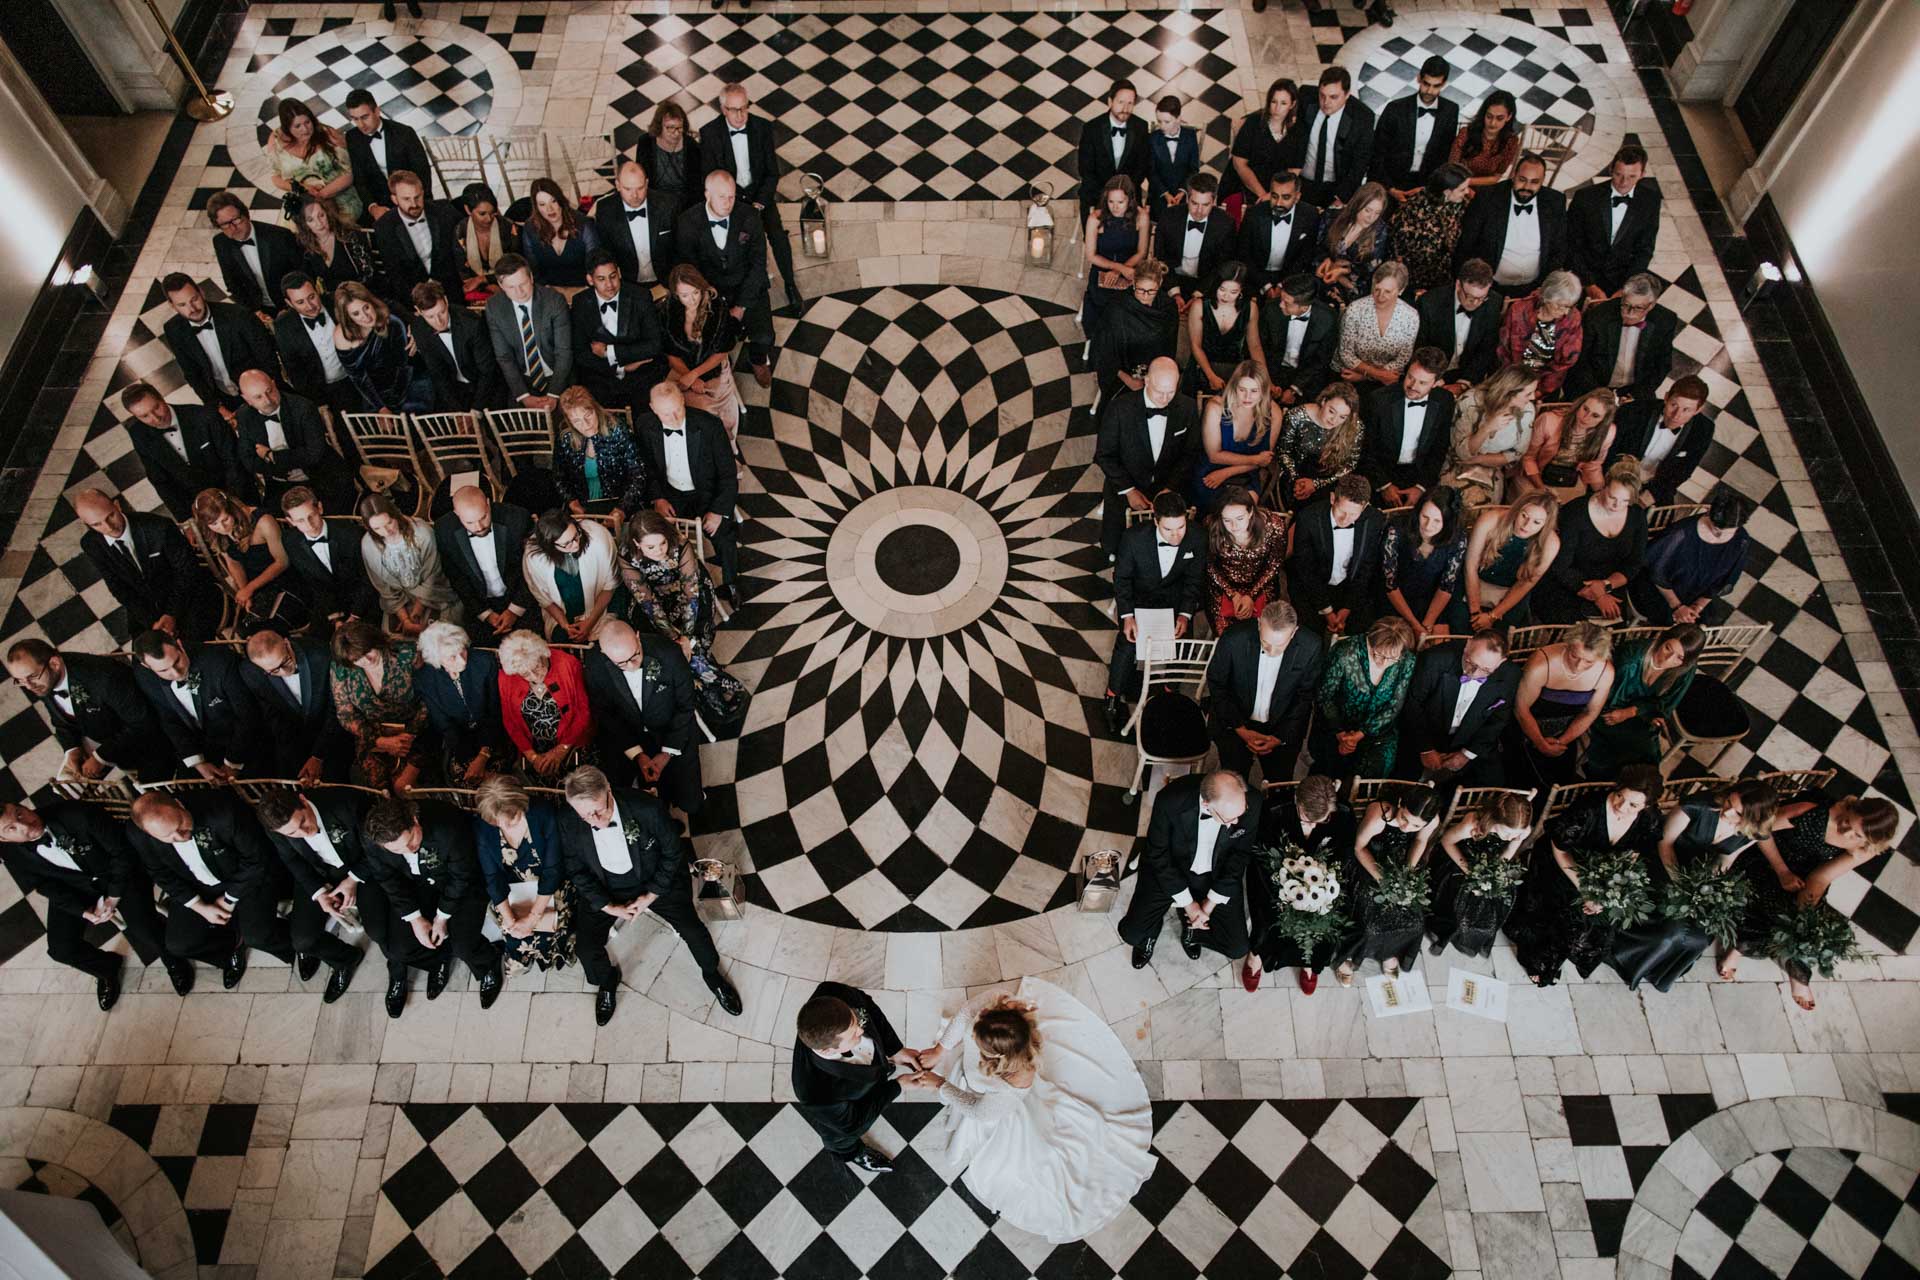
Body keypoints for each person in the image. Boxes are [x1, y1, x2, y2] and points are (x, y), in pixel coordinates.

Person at [916, 980, 1155, 1243]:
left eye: (977, 1041)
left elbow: (981, 1112)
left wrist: (941, 1085)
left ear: (998, 1058)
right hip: (979, 1073)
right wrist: (941, 1049)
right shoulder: (995, 1003)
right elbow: (965, 1014)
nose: (971, 1038)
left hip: (989, 1097)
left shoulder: (1013, 1081)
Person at [557, 765, 741, 1025]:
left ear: (608, 790)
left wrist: (651, 896)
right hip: (606, 888)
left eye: (599, 810)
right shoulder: (568, 822)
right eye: (586, 816)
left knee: (694, 931)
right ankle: (608, 980)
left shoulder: (646, 808)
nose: (595, 820)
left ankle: (713, 977)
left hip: (654, 881)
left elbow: (672, 854)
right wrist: (609, 907)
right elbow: (575, 869)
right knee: (586, 948)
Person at [1722, 794, 1899, 1011]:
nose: (1846, 832)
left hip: (1805, 879)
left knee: (1807, 924)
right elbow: (1760, 830)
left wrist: (1803, 913)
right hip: (1766, 861)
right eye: (1847, 822)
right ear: (1853, 808)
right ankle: (1748, 955)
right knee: (1772, 907)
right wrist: (1782, 871)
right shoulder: (1811, 811)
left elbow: (1821, 878)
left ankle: (1766, 959)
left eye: (1857, 835)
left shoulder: (1866, 848)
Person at [0, 800, 181, 1004]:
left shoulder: (77, 813)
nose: (25, 825)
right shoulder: (9, 853)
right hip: (75, 887)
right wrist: (82, 911)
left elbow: (123, 853)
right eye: (12, 828)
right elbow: (44, 885)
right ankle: (107, 968)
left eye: (20, 813)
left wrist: (113, 897)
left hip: (118, 875)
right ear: (2, 839)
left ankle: (173, 960)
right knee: (61, 949)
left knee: (143, 927)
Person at [125, 791, 298, 991]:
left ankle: (297, 948)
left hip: (244, 877)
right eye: (168, 837)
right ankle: (231, 947)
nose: (181, 836)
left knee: (258, 935)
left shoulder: (223, 810)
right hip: (196, 886)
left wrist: (229, 899)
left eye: (180, 824)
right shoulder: (137, 834)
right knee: (179, 945)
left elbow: (257, 859)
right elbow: (160, 873)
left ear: (178, 805)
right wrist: (199, 906)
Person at [1511, 766, 1664, 986]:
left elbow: (1634, 855)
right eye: (1620, 796)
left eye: (1633, 805)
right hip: (1562, 864)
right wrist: (1586, 888)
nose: (1621, 807)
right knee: (1569, 909)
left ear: (1646, 805)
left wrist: (1609, 889)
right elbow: (1560, 848)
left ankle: (1575, 949)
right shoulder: (1589, 808)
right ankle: (1543, 957)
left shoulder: (1649, 819)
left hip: (1602, 874)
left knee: (1602, 918)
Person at [1621, 780, 1776, 992]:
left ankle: (1662, 974)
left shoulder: (1752, 833)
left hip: (1696, 876)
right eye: (1729, 802)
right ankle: (1632, 962)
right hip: (1662, 864)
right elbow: (1664, 843)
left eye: (1738, 813)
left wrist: (1709, 889)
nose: (1728, 811)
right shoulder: (1696, 807)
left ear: (1751, 819)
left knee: (1701, 936)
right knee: (1672, 931)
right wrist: (1681, 882)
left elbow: (1725, 860)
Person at [359, 795, 504, 1017]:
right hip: (417, 886)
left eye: (411, 841)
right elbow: (388, 879)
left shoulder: (447, 827)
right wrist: (416, 919)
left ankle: (487, 964)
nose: (408, 851)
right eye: (397, 850)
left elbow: (462, 876)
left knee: (462, 944)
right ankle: (439, 961)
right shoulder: (373, 839)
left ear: (415, 820)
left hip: (460, 884)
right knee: (399, 947)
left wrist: (441, 918)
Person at [617, 513, 749, 732]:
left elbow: (692, 592)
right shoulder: (626, 555)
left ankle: (707, 689)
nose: (659, 550)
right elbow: (648, 602)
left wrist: (686, 636)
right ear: (637, 543)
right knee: (666, 650)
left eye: (662, 543)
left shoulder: (680, 543)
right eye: (650, 547)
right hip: (654, 604)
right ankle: (725, 686)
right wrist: (675, 638)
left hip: (691, 594)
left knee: (695, 642)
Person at [1118, 769, 1260, 966]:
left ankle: (1193, 932)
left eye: (1240, 814)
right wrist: (1189, 904)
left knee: (1237, 948)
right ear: (1206, 804)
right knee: (1131, 934)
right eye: (1229, 819)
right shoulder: (1170, 800)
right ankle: (1151, 932)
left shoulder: (1251, 802)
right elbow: (1157, 854)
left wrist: (1208, 905)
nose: (1236, 822)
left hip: (1216, 874)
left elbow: (1240, 856)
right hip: (1171, 869)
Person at [253, 787, 382, 999]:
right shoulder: (276, 828)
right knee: (302, 940)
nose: (305, 833)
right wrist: (319, 892)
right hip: (318, 874)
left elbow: (377, 847)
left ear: (303, 801)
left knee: (377, 927)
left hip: (361, 868)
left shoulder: (348, 804)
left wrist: (353, 879)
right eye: (294, 833)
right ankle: (345, 959)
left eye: (303, 822)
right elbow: (292, 860)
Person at [791, 985, 932, 1175]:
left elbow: (867, 1005)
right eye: (853, 1033)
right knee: (841, 1140)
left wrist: (895, 1049)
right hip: (842, 1119)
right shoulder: (814, 1090)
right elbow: (853, 1124)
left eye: (856, 1022)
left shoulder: (833, 992)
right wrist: (897, 1086)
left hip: (870, 1075)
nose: (861, 1029)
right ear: (827, 1050)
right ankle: (854, 1154)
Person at [1103, 491, 1206, 733]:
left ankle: (1169, 693)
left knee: (1182, 643)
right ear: (1156, 521)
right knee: (1127, 644)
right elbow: (1122, 579)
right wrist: (1127, 616)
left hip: (1174, 603)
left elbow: (1194, 581)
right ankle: (1112, 696)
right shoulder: (1132, 538)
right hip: (1141, 601)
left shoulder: (1198, 537)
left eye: (1180, 527)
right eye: (1169, 529)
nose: (1176, 535)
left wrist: (1185, 614)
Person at [696, 82, 803, 311]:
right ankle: (744, 290)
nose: (741, 114)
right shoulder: (710, 133)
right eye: (734, 109)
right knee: (737, 243)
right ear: (723, 109)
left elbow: (772, 173)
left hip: (760, 197)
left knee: (777, 236)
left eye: (745, 107)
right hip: (731, 202)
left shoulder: (761, 127)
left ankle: (791, 284)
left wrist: (760, 203)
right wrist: (737, 206)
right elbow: (711, 178)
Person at [1242, 775, 1351, 993]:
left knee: (1327, 919)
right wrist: (1284, 885)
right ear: (1297, 801)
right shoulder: (1274, 809)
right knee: (1269, 914)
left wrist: (1323, 882)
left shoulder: (1343, 814)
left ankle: (1310, 963)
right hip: (1273, 877)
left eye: (1321, 820)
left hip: (1321, 879)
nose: (1312, 824)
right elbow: (1260, 853)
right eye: (1307, 817)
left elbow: (1344, 855)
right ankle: (1257, 954)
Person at [71, 489, 221, 645]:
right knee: (146, 661)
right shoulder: (91, 544)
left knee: (191, 649)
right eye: (96, 524)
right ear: (86, 524)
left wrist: (171, 614)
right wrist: (152, 622)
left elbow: (188, 572)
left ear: (117, 506)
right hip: (146, 610)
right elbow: (118, 587)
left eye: (110, 516)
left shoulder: (159, 527)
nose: (108, 527)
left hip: (186, 597)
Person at [635, 379, 740, 599]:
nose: (673, 419)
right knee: (659, 538)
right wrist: (658, 498)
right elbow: (648, 468)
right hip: (671, 495)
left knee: (724, 536)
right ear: (653, 409)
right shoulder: (645, 425)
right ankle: (678, 586)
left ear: (683, 400)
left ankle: (731, 584)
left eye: (677, 410)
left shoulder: (709, 426)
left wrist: (718, 511)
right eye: (665, 414)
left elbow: (728, 475)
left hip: (706, 494)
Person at [583, 619, 703, 811]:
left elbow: (686, 706)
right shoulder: (595, 665)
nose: (631, 666)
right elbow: (605, 714)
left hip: (673, 730)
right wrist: (637, 754)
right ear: (605, 654)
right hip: (630, 734)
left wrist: (666, 753)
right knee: (637, 797)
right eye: (621, 663)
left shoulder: (669, 653)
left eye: (635, 656)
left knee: (691, 803)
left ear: (638, 638)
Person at [6, 640, 167, 780]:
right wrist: (72, 749)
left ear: (54, 664)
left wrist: (101, 756)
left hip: (153, 742)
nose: (27, 686)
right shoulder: (43, 680)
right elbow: (60, 719)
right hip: (105, 731)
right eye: (19, 681)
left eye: (31, 677)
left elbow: (143, 722)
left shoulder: (106, 679)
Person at [1330, 784, 1440, 983]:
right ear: (1400, 804)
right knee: (1370, 920)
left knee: (1414, 921)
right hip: (1367, 861)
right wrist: (1383, 879)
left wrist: (1406, 872)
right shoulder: (1381, 815)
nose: (1407, 828)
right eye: (1405, 818)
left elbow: (1419, 842)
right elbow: (1358, 847)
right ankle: (1350, 957)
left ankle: (1390, 952)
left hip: (1399, 862)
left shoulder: (1431, 822)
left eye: (1416, 826)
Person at [673, 171, 773, 385]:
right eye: (722, 197)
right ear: (707, 194)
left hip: (747, 286)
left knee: (764, 335)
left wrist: (740, 307)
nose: (728, 203)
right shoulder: (688, 222)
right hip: (710, 290)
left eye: (732, 196)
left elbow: (758, 266)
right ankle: (713, 368)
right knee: (708, 339)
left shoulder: (750, 216)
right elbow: (690, 269)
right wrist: (712, 300)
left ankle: (758, 360)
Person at [1207, 600, 1323, 782]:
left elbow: (1305, 696)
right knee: (1233, 781)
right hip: (1235, 721)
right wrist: (1241, 730)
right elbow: (1217, 684)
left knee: (1280, 784)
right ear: (1259, 623)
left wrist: (1279, 737)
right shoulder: (1233, 638)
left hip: (1282, 726)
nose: (1272, 651)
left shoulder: (1311, 646)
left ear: (1293, 633)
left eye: (1280, 646)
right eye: (1266, 643)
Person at [470, 776, 574, 977]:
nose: (506, 827)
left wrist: (533, 917)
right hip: (513, 888)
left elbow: (553, 869)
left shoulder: (543, 814)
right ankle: (527, 950)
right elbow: (492, 877)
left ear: (522, 804)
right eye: (499, 824)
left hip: (551, 884)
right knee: (514, 933)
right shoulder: (483, 828)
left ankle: (555, 949)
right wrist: (510, 919)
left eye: (513, 819)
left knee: (547, 923)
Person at [1093, 357, 1197, 557]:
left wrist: (1170, 488)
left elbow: (1190, 453)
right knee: (1115, 545)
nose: (1166, 398)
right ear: (1147, 381)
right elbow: (1105, 455)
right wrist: (1129, 491)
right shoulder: (1119, 409)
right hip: (1126, 484)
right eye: (1160, 392)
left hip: (1168, 484)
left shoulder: (1187, 407)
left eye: (1171, 392)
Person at [130, 629, 263, 780]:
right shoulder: (145, 675)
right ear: (147, 667)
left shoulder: (220, 662)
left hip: (242, 742)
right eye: (164, 670)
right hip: (198, 745)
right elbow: (168, 718)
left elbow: (248, 715)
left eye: (177, 661)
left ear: (179, 645)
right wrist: (197, 761)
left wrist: (232, 763)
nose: (176, 673)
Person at [1394, 629, 1517, 789]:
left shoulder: (1511, 675)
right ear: (1467, 645)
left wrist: (1467, 754)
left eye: (1485, 670)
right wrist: (1425, 749)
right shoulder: (1434, 660)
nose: (1474, 674)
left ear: (1500, 663)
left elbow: (1498, 721)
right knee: (1402, 785)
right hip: (1427, 734)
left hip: (1469, 739)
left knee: (1493, 786)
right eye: (1471, 663)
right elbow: (1412, 704)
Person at [1534, 458, 1649, 623]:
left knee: (1610, 633)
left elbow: (1634, 563)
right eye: (1612, 497)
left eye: (1625, 501)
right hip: (1569, 582)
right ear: (1604, 487)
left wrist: (1606, 586)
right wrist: (1597, 594)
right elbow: (1561, 565)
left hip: (1610, 584)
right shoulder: (1576, 512)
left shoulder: (1637, 516)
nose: (1617, 505)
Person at [121, 382, 252, 520]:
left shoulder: (204, 416)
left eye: (156, 408)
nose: (155, 418)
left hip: (234, 492)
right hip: (197, 508)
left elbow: (233, 460)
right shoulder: (139, 434)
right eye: (144, 416)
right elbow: (160, 481)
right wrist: (186, 520)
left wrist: (234, 504)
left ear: (161, 397)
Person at [1585, 622, 1703, 775]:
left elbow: (1666, 704)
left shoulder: (1686, 670)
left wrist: (1634, 711)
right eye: (1668, 648)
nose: (1668, 660)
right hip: (1608, 711)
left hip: (1643, 716)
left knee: (1649, 759)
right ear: (1661, 640)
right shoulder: (1630, 659)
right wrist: (1634, 711)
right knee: (1623, 756)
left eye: (1679, 657)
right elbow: (1605, 698)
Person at [1309, 615, 1418, 780]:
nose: (1384, 663)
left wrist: (1360, 734)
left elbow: (1394, 706)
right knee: (1329, 768)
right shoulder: (1344, 652)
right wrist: (1341, 734)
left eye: (1392, 659)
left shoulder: (1406, 661)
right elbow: (1325, 697)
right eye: (1378, 654)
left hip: (1378, 730)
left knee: (1377, 769)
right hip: (1337, 724)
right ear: (1370, 640)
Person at [1510, 620, 1615, 788]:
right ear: (1567, 645)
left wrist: (1561, 742)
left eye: (1588, 662)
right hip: (1528, 723)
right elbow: (1520, 708)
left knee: (1561, 780)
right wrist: (1540, 743)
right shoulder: (1541, 663)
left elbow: (1590, 713)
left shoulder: (1606, 672)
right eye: (1574, 656)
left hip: (1565, 729)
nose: (1579, 666)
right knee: (1529, 778)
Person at [1428, 792, 1533, 958]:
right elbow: (1446, 841)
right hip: (1461, 860)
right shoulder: (1473, 823)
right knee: (1461, 895)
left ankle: (1471, 936)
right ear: (1495, 820)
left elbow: (1508, 852)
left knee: (1498, 897)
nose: (1511, 837)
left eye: (1515, 834)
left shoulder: (1521, 831)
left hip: (1489, 864)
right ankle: (1446, 931)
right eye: (1507, 834)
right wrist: (1471, 872)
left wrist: (1492, 874)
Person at [235, 371, 357, 513]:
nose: (268, 400)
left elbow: (314, 454)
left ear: (274, 384)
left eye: (269, 391)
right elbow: (248, 459)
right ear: (247, 400)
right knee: (273, 522)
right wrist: (279, 470)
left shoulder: (303, 407)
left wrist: (271, 456)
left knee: (333, 512)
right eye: (258, 397)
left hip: (318, 475)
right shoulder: (244, 416)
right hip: (279, 481)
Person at [240, 629, 352, 783]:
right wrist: (297, 758)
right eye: (274, 671)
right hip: (293, 737)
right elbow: (273, 717)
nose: (285, 671)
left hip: (331, 734)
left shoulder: (322, 655)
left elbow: (337, 709)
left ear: (287, 643)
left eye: (285, 661)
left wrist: (317, 756)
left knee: (335, 782)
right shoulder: (251, 672)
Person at [159, 273, 279, 417]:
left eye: (194, 299)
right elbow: (192, 373)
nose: (192, 308)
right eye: (182, 305)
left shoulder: (238, 315)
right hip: (222, 398)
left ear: (201, 292)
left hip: (258, 392)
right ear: (172, 306)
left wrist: (263, 395)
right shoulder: (173, 330)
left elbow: (267, 357)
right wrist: (216, 406)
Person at [329, 620, 428, 791]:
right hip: (371, 734)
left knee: (405, 787)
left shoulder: (408, 654)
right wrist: (378, 740)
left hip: (414, 731)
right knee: (379, 788)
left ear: (376, 641)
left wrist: (410, 734)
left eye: (368, 651)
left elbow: (429, 699)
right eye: (356, 660)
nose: (366, 660)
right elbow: (346, 714)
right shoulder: (341, 668)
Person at [1452, 153, 1567, 299]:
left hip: (1534, 290)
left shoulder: (1555, 201)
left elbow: (1560, 247)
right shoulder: (1487, 197)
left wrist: (1543, 286)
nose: (1526, 187)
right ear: (1513, 175)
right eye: (1522, 179)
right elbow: (1466, 244)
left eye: (1534, 182)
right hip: (1490, 287)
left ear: (1543, 181)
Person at [1633, 484, 1750, 625]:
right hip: (1660, 591)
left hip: (1695, 594)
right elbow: (1656, 572)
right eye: (1717, 530)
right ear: (1708, 514)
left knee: (1704, 624)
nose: (1722, 536)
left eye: (1731, 531)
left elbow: (1725, 580)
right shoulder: (1681, 534)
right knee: (1670, 624)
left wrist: (1698, 606)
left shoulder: (1741, 540)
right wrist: (1677, 606)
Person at [193, 486, 305, 631]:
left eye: (225, 519)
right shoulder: (216, 533)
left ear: (232, 510)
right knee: (246, 629)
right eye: (214, 524)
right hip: (257, 588)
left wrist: (249, 589)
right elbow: (233, 562)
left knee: (267, 628)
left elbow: (282, 562)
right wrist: (245, 591)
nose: (222, 527)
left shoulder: (263, 521)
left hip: (285, 580)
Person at [569, 250, 664, 417]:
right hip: (602, 377)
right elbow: (581, 353)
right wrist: (620, 367)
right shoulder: (580, 302)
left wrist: (609, 352)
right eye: (601, 279)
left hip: (640, 376)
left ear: (619, 272)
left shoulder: (640, 296)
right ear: (590, 280)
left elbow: (654, 344)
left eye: (613, 276)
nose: (610, 285)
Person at [1287, 473, 1384, 635]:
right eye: (1341, 511)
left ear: (1365, 507)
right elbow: (1306, 569)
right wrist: (1327, 611)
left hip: (1350, 588)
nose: (1345, 519)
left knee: (1363, 634)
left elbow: (1366, 567)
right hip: (1312, 588)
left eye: (1354, 514)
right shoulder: (1308, 518)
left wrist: (1347, 608)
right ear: (1333, 499)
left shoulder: (1374, 520)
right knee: (1307, 637)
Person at [415, 621, 508, 786]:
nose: (462, 660)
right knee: (463, 778)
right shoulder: (426, 679)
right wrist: (469, 759)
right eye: (452, 656)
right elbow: (444, 724)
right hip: (459, 740)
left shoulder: (484, 663)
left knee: (495, 780)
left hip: (493, 734)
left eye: (462, 651)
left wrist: (483, 754)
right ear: (436, 660)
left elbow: (495, 711)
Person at [659, 263, 742, 447]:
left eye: (696, 292)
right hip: (680, 367)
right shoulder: (668, 311)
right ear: (676, 294)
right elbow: (670, 353)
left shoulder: (717, 307)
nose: (692, 300)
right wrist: (687, 375)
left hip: (711, 367)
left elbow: (722, 351)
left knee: (706, 411)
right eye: (685, 296)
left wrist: (694, 375)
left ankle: (720, 446)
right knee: (672, 405)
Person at [1440, 362, 1542, 509]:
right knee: (1460, 504)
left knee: (1484, 507)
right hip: (1455, 464)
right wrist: (1487, 428)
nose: (1533, 397)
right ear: (1510, 392)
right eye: (1528, 393)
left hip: (1492, 467)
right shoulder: (1470, 402)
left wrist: (1480, 459)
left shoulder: (1527, 412)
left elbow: (1516, 454)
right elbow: (1461, 453)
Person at [1563, 274, 1677, 405]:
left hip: (1634, 391)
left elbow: (1662, 364)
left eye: (1638, 308)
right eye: (1625, 304)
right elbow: (1581, 361)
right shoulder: (1598, 316)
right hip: (1594, 387)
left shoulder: (1665, 320)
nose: (1628, 312)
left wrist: (1635, 395)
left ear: (1651, 305)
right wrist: (1601, 395)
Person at [497, 629, 594, 781]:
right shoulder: (506, 677)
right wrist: (532, 756)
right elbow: (510, 721)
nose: (535, 676)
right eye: (525, 674)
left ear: (543, 653)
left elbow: (583, 713)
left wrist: (561, 750)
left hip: (572, 742)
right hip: (533, 748)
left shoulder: (568, 664)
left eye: (537, 667)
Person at [1362, 348, 1455, 507]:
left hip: (1419, 475)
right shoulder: (1379, 400)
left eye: (1423, 382)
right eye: (1410, 377)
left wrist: (1421, 487)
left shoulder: (1444, 401)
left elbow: (1439, 449)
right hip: (1380, 473)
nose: (1413, 385)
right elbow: (1365, 449)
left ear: (1436, 383)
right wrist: (1384, 485)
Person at [434, 487, 533, 636]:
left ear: (488, 503)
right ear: (456, 514)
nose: (479, 527)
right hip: (479, 604)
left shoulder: (516, 518)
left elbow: (533, 568)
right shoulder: (444, 530)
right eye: (470, 522)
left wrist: (515, 609)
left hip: (521, 597)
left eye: (483, 517)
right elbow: (456, 577)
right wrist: (485, 614)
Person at [1567, 145, 1662, 300]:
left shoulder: (1650, 201)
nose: (1623, 182)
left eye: (1632, 176)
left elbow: (1645, 249)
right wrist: (1589, 285)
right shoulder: (1585, 197)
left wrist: (1626, 288)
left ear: (1642, 174)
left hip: (1623, 282)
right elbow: (1571, 243)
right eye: (1619, 174)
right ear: (1611, 169)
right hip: (1584, 279)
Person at [356, 492, 458, 635]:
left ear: (396, 515)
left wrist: (416, 613)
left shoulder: (423, 533)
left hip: (435, 591)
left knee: (442, 635)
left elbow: (433, 574)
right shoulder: (368, 544)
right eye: (377, 529)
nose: (386, 531)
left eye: (389, 523)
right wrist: (405, 619)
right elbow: (383, 587)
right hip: (398, 600)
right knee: (394, 638)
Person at [1606, 374, 1713, 508]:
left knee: (1660, 525)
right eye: (1674, 405)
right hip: (1618, 474)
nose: (1677, 415)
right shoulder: (1635, 410)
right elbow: (1609, 449)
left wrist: (1648, 497)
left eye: (1687, 410)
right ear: (1667, 397)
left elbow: (1684, 470)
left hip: (1656, 486)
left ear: (1698, 410)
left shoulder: (1703, 430)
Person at [280, 486, 379, 629]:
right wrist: (335, 618)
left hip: (363, 602)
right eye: (300, 520)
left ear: (320, 508)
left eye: (311, 516)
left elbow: (368, 578)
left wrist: (354, 616)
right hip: (328, 605)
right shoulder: (290, 541)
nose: (309, 525)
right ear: (290, 521)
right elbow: (313, 583)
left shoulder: (351, 535)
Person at [1459, 491, 1560, 630]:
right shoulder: (1490, 520)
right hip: (1473, 582)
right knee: (1461, 628)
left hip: (1510, 593)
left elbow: (1526, 584)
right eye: (1524, 516)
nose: (1526, 525)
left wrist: (1492, 616)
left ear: (1545, 525)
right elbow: (1470, 566)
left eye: (1537, 522)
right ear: (1517, 510)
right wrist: (1475, 612)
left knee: (1499, 638)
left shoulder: (1551, 543)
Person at [1379, 487, 1469, 642]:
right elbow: (1390, 585)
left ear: (1447, 522)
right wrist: (1415, 625)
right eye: (1425, 517)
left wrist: (1427, 625)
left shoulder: (1457, 538)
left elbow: (1446, 586)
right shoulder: (1397, 529)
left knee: (1440, 643)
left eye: (1437, 521)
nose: (1428, 526)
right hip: (1395, 598)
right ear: (1418, 511)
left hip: (1431, 600)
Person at [485, 253, 573, 409]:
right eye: (511, 287)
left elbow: (564, 352)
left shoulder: (554, 301)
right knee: (519, 430)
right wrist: (524, 396)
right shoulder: (494, 307)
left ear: (531, 278)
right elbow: (504, 357)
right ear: (501, 286)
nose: (519, 292)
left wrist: (553, 394)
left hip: (558, 377)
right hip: (522, 381)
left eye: (523, 284)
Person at [1089, 260, 1178, 409]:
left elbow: (1169, 348)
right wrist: (1129, 380)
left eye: (1151, 291)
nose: (1144, 296)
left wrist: (1153, 378)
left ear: (1160, 283)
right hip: (1120, 375)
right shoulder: (1117, 308)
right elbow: (1104, 351)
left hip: (1155, 374)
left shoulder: (1168, 308)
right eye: (1140, 290)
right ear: (1133, 283)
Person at [274, 272, 361, 422]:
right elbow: (296, 372)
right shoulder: (284, 327)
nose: (309, 306)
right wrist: (318, 403)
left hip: (360, 377)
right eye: (300, 302)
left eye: (312, 297)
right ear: (289, 303)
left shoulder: (337, 301)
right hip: (327, 392)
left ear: (317, 289)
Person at [333, 281, 431, 415]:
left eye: (366, 307)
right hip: (374, 392)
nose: (365, 316)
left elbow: (402, 367)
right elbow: (358, 377)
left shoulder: (392, 323)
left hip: (410, 382)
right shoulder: (341, 336)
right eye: (356, 313)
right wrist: (381, 407)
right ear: (348, 318)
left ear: (371, 302)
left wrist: (392, 410)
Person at [554, 386, 648, 520]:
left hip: (620, 502)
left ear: (596, 409)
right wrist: (572, 502)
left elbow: (639, 474)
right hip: (581, 505)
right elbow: (559, 477)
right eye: (577, 421)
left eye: (588, 415)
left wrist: (622, 509)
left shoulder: (618, 430)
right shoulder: (565, 437)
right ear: (569, 422)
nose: (585, 425)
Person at [524, 508, 619, 642]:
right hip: (560, 615)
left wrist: (589, 622)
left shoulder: (599, 539)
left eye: (576, 535)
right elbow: (543, 597)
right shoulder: (534, 557)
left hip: (600, 608)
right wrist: (565, 625)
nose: (575, 544)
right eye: (566, 544)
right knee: (562, 641)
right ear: (550, 546)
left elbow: (610, 586)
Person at [1200, 483, 1286, 632]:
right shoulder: (1211, 525)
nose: (1234, 526)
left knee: (1262, 634)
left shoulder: (1274, 526)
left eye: (1240, 518)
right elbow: (1209, 565)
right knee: (1226, 637)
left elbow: (1274, 564)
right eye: (1227, 520)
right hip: (1223, 587)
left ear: (1251, 512)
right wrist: (1232, 594)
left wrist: (1251, 595)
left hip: (1262, 584)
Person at [370, 170, 464, 304]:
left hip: (451, 288)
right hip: (414, 296)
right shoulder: (384, 227)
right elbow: (395, 275)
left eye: (417, 197)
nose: (414, 204)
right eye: (406, 199)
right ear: (394, 199)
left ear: (423, 193)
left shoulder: (443, 211)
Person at [408, 281, 505, 412]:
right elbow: (438, 375)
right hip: (455, 390)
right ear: (418, 311)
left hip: (486, 388)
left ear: (446, 301)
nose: (438, 321)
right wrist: (457, 411)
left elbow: (487, 372)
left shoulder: (472, 324)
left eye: (441, 312)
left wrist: (476, 410)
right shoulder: (419, 329)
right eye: (430, 317)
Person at [207, 192, 303, 322]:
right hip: (257, 309)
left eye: (236, 220)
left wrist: (288, 307)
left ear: (246, 214)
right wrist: (254, 311)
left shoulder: (280, 237)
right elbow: (232, 284)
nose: (233, 228)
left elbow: (302, 275)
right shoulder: (221, 243)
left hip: (291, 304)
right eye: (225, 224)